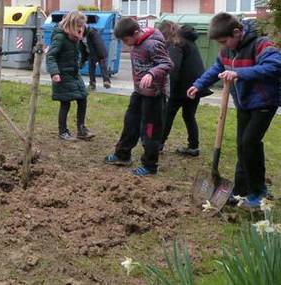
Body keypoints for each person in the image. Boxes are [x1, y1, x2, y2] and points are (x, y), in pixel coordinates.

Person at [187, 13, 281, 209]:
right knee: (242, 146)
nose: (223, 45)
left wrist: (239, 73)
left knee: (250, 143)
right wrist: (198, 84)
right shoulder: (226, 52)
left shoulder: (260, 44)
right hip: (244, 104)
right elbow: (216, 69)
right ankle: (240, 191)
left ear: (237, 32)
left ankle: (259, 192)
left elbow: (275, 66)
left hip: (264, 102)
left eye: (224, 40)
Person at [104, 17, 172, 176]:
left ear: (136, 32)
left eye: (126, 39)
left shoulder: (153, 44)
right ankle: (122, 155)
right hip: (139, 92)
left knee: (149, 131)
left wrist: (151, 73)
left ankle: (150, 166)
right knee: (130, 123)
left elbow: (167, 64)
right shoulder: (136, 43)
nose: (126, 43)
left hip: (154, 95)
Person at [157, 21, 209, 157]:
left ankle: (158, 144)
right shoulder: (189, 41)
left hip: (181, 88)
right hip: (196, 86)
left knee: (167, 115)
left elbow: (173, 68)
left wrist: (169, 90)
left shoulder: (177, 43)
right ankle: (193, 147)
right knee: (189, 116)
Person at [46, 10, 93, 141]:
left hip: (74, 73)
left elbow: (81, 50)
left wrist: (81, 61)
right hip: (62, 75)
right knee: (65, 103)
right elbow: (50, 56)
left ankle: (82, 129)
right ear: (71, 25)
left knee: (83, 98)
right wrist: (54, 73)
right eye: (78, 27)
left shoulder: (76, 36)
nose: (81, 29)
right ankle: (63, 131)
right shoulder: (60, 37)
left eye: (82, 26)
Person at [81, 24, 111, 90]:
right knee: (91, 68)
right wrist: (83, 60)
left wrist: (100, 57)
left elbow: (99, 44)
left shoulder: (92, 32)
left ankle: (106, 81)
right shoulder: (81, 35)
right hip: (91, 53)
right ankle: (92, 84)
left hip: (99, 52)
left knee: (102, 66)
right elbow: (83, 49)